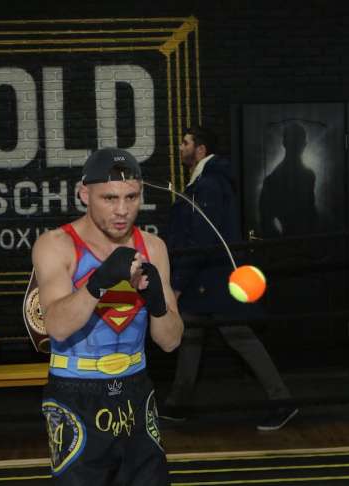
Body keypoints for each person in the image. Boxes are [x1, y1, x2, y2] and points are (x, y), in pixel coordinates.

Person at [32, 148, 183, 485]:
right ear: (84, 194)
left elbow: (171, 342)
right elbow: (56, 327)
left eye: (132, 197)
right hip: (76, 392)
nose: (122, 210)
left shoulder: (153, 247)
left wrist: (158, 303)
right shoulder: (56, 245)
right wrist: (98, 283)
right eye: (110, 198)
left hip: (135, 388)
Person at [161, 126, 298, 431]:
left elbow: (202, 238)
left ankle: (282, 401)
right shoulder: (205, 183)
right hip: (206, 279)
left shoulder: (208, 185)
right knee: (191, 336)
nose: (180, 148)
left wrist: (178, 283)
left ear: (200, 149)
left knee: (238, 336)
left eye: (185, 143)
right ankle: (178, 404)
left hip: (212, 280)